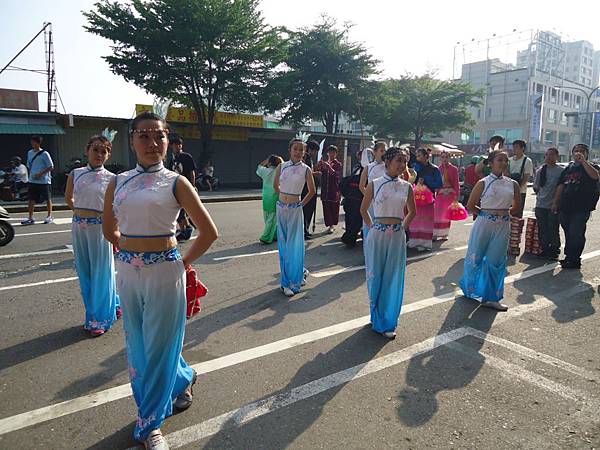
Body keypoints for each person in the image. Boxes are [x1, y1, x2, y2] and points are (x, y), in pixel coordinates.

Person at [103, 111, 218, 449]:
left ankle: (150, 425)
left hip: (166, 272)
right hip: (127, 272)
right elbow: (109, 227)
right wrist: (126, 249)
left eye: (159, 136)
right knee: (137, 346)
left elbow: (209, 233)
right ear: (132, 139)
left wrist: (179, 262)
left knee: (157, 347)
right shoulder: (117, 181)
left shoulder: (176, 182)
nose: (152, 143)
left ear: (168, 140)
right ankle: (183, 376)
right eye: (144, 135)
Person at [64, 134, 121, 337]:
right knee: (85, 271)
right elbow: (69, 197)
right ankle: (114, 303)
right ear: (87, 150)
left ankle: (99, 318)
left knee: (101, 272)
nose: (99, 154)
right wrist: (80, 211)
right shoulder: (75, 173)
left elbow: (116, 206)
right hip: (79, 227)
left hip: (100, 228)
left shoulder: (112, 179)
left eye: (104, 151)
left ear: (108, 155)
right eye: (95, 149)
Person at [360, 147, 416, 339]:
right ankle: (376, 315)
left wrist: (402, 228)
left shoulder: (406, 186)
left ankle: (387, 320)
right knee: (375, 276)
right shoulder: (374, 184)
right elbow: (363, 210)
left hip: (397, 236)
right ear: (388, 162)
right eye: (399, 160)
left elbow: (412, 212)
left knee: (393, 277)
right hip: (378, 235)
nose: (402, 165)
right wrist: (373, 229)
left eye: (405, 161)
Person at [460, 150, 520, 311]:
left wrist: (503, 214)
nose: (503, 163)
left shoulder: (512, 184)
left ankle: (492, 297)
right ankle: (470, 289)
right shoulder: (483, 182)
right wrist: (488, 215)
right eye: (500, 160)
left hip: (503, 225)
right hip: (484, 224)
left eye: (506, 160)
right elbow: (470, 206)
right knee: (476, 257)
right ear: (491, 163)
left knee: (497, 261)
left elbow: (517, 206)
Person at [273, 138, 316, 297]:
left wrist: (299, 204)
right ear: (290, 150)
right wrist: (283, 198)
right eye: (295, 149)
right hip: (281, 208)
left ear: (304, 152)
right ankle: (296, 274)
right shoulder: (281, 166)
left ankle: (290, 282)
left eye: (301, 150)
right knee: (284, 246)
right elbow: (275, 185)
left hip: (295, 210)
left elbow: (312, 191)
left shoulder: (306, 169)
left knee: (294, 246)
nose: (298, 152)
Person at [551, 144, 600, 269]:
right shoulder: (568, 168)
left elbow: (595, 176)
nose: (578, 153)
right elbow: (561, 186)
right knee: (568, 233)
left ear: (586, 154)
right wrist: (556, 202)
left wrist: (583, 162)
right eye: (576, 151)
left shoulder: (592, 167)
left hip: (582, 207)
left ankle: (575, 259)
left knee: (576, 232)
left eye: (582, 151)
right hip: (565, 207)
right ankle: (569, 257)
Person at [408, 148, 443, 251]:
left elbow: (439, 184)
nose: (417, 158)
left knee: (426, 221)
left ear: (426, 157)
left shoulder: (434, 169)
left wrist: (426, 181)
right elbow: (411, 180)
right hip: (416, 197)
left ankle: (425, 243)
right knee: (415, 219)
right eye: (417, 155)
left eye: (419, 155)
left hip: (429, 198)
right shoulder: (415, 168)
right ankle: (414, 241)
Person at [532, 148, 563, 260]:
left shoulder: (561, 171)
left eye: (551, 155)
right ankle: (544, 249)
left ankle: (554, 249)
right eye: (546, 155)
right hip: (540, 204)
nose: (548, 157)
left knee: (553, 228)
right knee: (542, 228)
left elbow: (562, 187)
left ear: (557, 156)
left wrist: (556, 201)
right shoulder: (541, 170)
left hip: (554, 205)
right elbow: (536, 187)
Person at [168, 134, 197, 242]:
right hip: (175, 188)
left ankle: (186, 229)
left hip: (186, 187)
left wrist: (193, 186)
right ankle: (185, 229)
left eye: (178, 145)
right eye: (174, 145)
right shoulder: (172, 159)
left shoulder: (186, 157)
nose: (177, 147)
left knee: (182, 211)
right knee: (178, 211)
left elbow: (191, 172)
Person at [21, 135, 54, 225]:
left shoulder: (45, 153)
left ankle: (49, 216)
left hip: (44, 181)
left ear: (38, 143)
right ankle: (30, 217)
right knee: (31, 199)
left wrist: (40, 174)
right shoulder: (30, 153)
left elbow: (51, 166)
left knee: (47, 198)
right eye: (31, 142)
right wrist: (31, 175)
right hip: (32, 180)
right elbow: (29, 165)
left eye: (34, 142)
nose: (32, 143)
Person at [359, 140, 387, 242]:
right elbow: (361, 186)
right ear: (375, 152)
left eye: (385, 151)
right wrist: (370, 197)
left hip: (385, 203)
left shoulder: (389, 167)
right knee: (370, 229)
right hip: (371, 203)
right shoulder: (368, 167)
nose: (384, 153)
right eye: (381, 150)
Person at [256, 155, 283, 244]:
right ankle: (270, 235)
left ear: (269, 162)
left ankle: (268, 236)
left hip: (266, 196)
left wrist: (266, 161)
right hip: (276, 196)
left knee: (267, 217)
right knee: (273, 218)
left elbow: (259, 167)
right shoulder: (279, 172)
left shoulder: (265, 171)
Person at [433, 151, 460, 241]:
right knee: (437, 214)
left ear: (449, 158)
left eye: (446, 157)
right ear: (440, 158)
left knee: (447, 214)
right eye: (443, 157)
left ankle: (445, 234)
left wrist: (457, 195)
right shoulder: (437, 169)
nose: (444, 159)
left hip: (450, 193)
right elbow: (436, 183)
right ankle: (435, 233)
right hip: (440, 193)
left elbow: (456, 183)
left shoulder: (454, 169)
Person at [317, 145, 343, 233]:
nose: (331, 154)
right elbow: (320, 173)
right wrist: (319, 166)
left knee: (334, 208)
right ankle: (329, 225)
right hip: (325, 190)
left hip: (334, 190)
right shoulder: (324, 163)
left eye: (333, 152)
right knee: (326, 208)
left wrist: (329, 167)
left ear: (336, 154)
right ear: (327, 153)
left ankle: (332, 225)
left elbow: (337, 175)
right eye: (330, 152)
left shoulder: (338, 164)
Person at [340, 158, 363, 247]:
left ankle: (349, 238)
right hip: (357, 200)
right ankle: (349, 238)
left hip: (350, 199)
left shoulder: (357, 168)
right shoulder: (366, 169)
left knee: (350, 220)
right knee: (355, 221)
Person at [508, 139, 533, 218]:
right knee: (507, 213)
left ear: (522, 148)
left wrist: (517, 190)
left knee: (517, 214)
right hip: (508, 190)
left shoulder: (527, 161)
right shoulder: (509, 160)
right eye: (513, 147)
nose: (514, 149)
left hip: (520, 191)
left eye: (516, 147)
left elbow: (526, 177)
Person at [302, 140, 320, 239]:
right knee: (306, 210)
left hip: (311, 187)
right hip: (306, 188)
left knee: (309, 209)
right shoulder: (305, 158)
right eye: (315, 151)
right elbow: (304, 173)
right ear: (310, 149)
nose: (315, 153)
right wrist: (315, 174)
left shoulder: (310, 159)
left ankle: (306, 229)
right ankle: (304, 230)